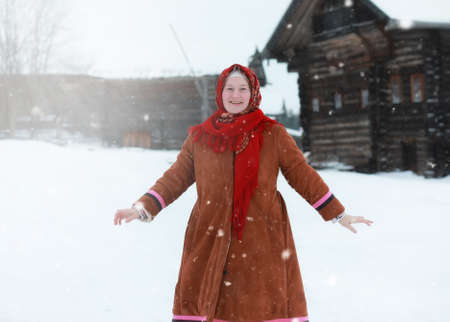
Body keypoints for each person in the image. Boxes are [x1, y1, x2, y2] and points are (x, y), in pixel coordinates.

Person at [114, 64, 373, 322]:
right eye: (229, 89)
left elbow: (301, 174)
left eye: (242, 89)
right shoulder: (200, 138)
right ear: (220, 93)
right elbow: (175, 178)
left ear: (253, 93)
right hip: (208, 235)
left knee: (257, 306)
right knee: (206, 304)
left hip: (260, 238)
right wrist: (142, 207)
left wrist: (338, 214)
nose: (235, 95)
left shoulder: (273, 134)